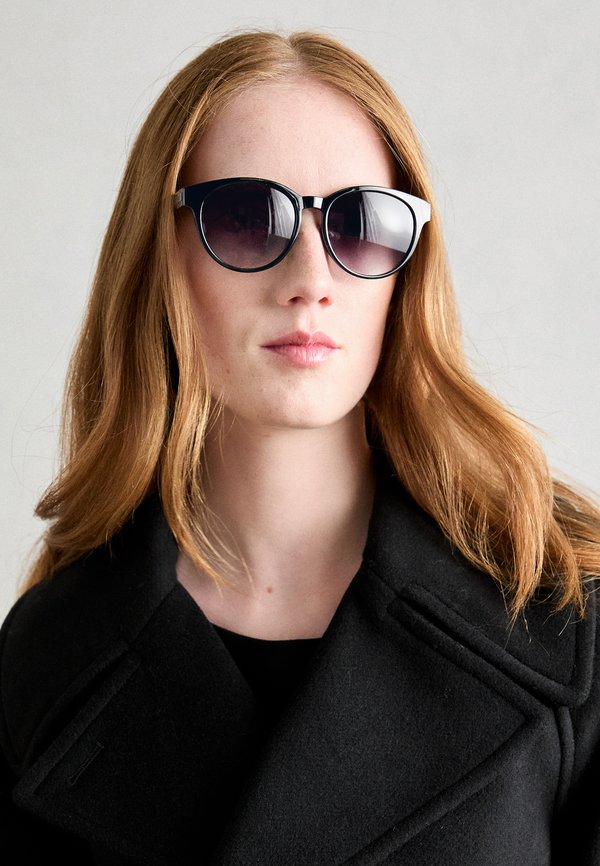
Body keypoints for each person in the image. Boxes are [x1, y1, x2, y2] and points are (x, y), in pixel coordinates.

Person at [1, 29, 599, 866]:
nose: (311, 279)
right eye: (247, 219)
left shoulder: (558, 610)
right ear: (162, 258)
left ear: (405, 272)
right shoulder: (49, 658)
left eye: (361, 224)